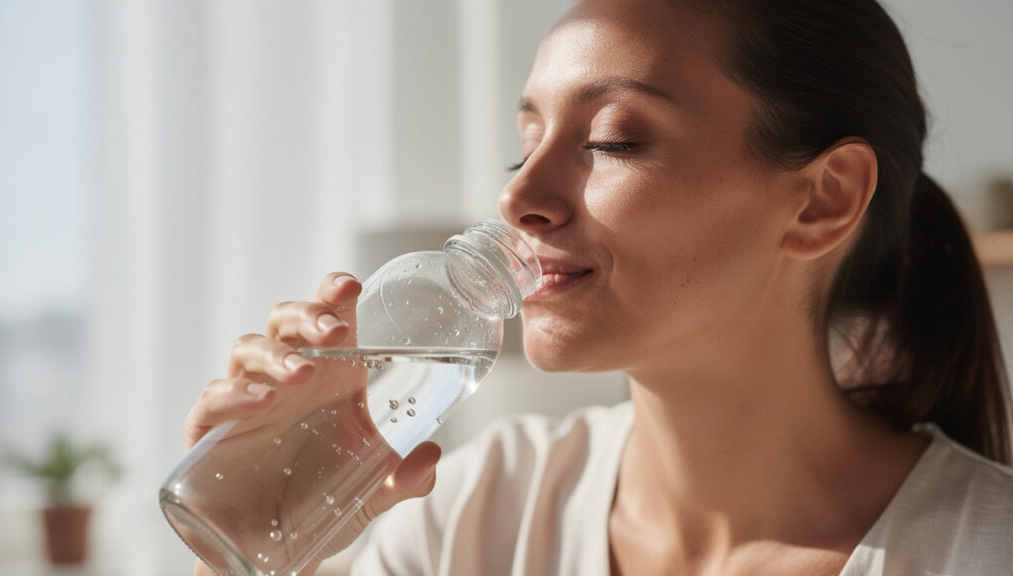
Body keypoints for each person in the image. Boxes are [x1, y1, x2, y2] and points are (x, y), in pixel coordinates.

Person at [184, 0, 1013, 574]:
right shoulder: (475, 518)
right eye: (526, 143)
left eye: (612, 140)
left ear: (822, 200)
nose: (515, 197)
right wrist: (244, 551)